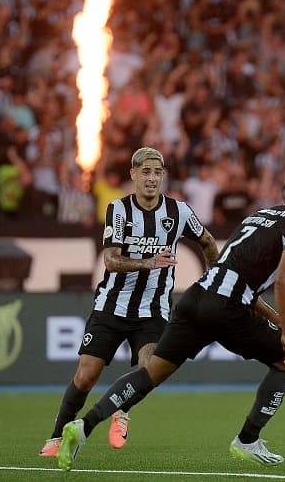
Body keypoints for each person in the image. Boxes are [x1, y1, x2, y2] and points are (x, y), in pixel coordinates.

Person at [56, 174, 285, 471]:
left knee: (151, 373)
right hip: (226, 309)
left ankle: (83, 426)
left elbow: (237, 279)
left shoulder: (261, 216)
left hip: (196, 298)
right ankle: (248, 440)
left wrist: (277, 319)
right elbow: (283, 281)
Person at [39, 147, 218, 458]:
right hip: (113, 304)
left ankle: (120, 412)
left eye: (157, 173)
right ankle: (56, 437)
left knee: (148, 369)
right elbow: (110, 260)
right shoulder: (118, 210)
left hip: (154, 308)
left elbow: (208, 242)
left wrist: (215, 281)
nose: (151, 178)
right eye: (145, 172)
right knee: (86, 374)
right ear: (133, 174)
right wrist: (148, 262)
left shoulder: (180, 212)